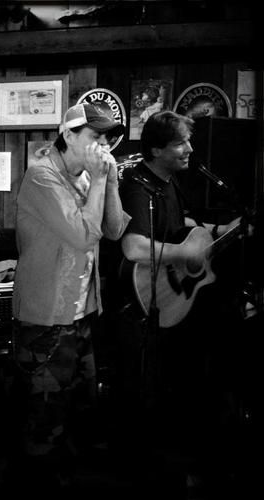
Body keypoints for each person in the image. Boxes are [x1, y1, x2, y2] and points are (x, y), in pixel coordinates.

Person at [114, 110, 250, 498]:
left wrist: (224, 231)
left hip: (172, 300)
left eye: (188, 141)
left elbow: (183, 227)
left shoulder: (170, 182)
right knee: (148, 393)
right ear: (156, 149)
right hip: (145, 300)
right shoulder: (138, 187)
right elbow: (133, 247)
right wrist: (183, 254)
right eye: (180, 143)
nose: (190, 149)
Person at [7, 102, 130, 496]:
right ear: (69, 134)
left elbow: (113, 231)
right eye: (95, 136)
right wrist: (99, 180)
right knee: (44, 417)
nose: (103, 146)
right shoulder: (41, 175)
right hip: (46, 316)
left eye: (107, 138)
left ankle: (67, 484)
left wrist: (110, 182)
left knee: (78, 407)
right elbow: (82, 235)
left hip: (82, 313)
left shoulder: (89, 176)